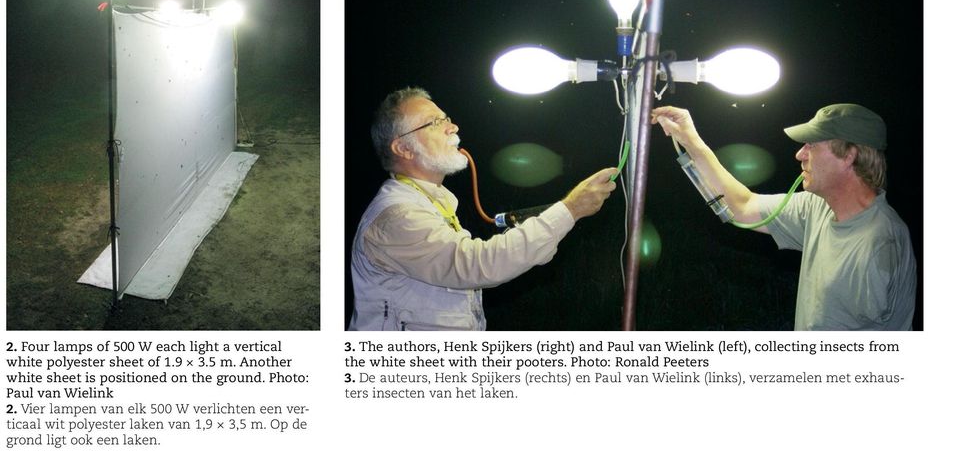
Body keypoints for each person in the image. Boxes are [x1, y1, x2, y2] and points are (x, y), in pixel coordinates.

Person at [349, 86, 617, 330]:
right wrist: (570, 209)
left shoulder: (429, 204)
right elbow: (477, 264)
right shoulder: (396, 216)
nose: (452, 127)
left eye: (447, 118)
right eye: (435, 123)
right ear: (403, 148)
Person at [650, 101, 916, 331]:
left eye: (812, 145)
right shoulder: (817, 208)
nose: (799, 154)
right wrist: (690, 140)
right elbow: (743, 206)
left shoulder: (879, 243)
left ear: (848, 156)